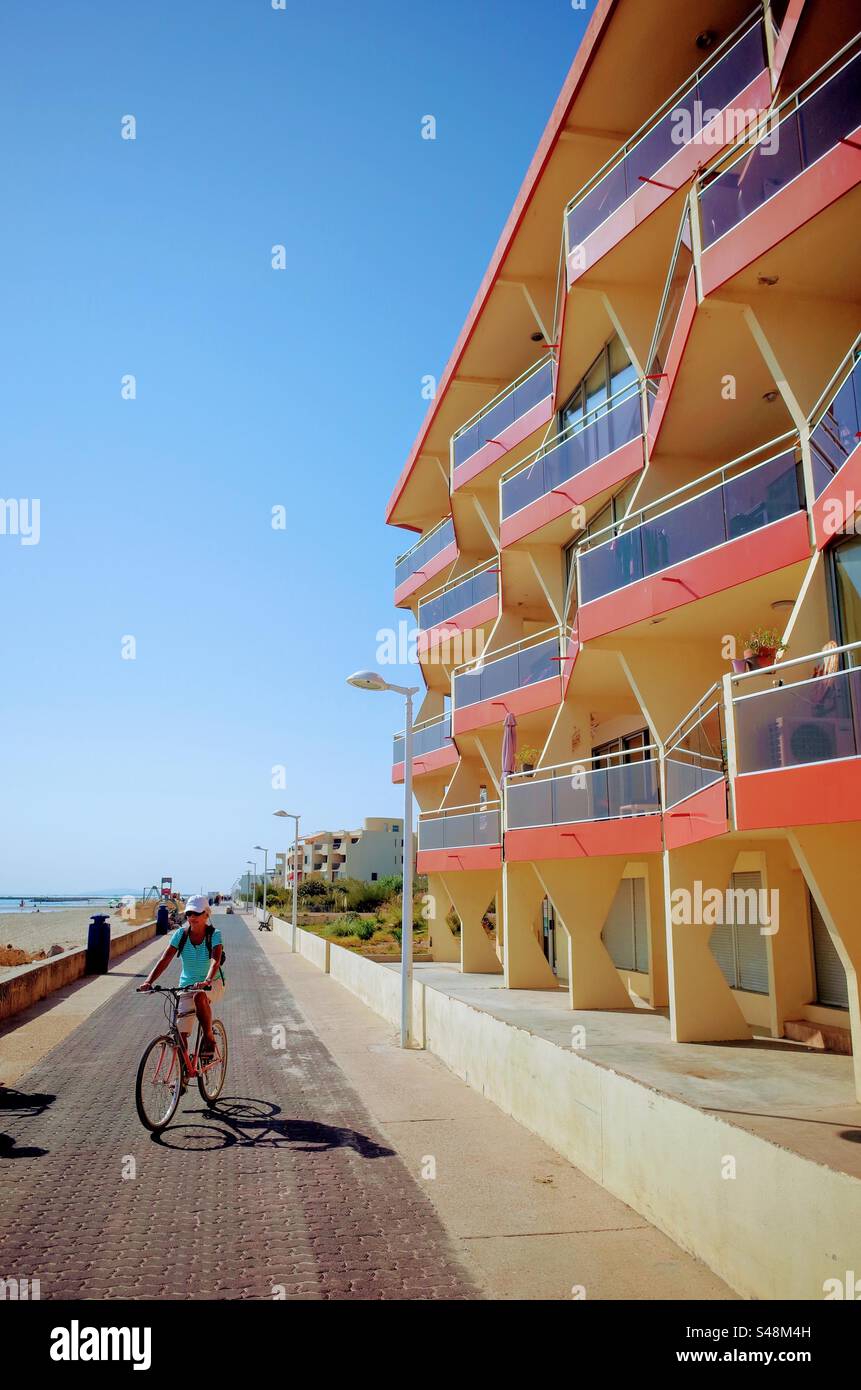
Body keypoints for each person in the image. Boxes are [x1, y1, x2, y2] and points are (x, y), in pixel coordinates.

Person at [138, 895, 225, 1060]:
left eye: (196, 913)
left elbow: (216, 960)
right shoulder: (181, 934)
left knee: (200, 996)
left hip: (213, 983)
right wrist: (149, 981)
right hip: (187, 986)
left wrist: (207, 980)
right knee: (180, 1033)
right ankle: (182, 1075)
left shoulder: (214, 934)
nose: (192, 917)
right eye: (189, 913)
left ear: (206, 914)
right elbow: (165, 959)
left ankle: (209, 1038)